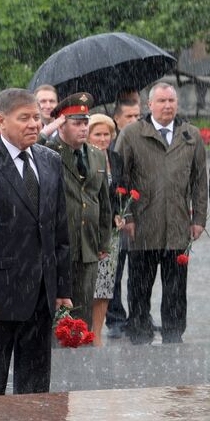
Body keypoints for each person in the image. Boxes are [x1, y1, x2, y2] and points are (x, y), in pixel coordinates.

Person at [0, 88, 73, 396]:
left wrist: (62, 288)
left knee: (35, 389)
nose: (33, 124)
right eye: (24, 118)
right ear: (2, 120)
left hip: (41, 295)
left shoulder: (50, 161)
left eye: (36, 117)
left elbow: (59, 231)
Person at [116, 82, 208, 344]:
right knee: (139, 288)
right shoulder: (132, 134)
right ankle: (139, 334)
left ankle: (173, 335)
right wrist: (126, 216)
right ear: (150, 105)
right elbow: (120, 179)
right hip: (142, 227)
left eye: (171, 101)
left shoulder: (191, 135)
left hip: (178, 227)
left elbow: (200, 181)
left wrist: (199, 218)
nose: (168, 106)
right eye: (162, 101)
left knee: (176, 290)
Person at [45, 93, 113, 325]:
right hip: (60, 243)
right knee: (58, 311)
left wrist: (104, 241)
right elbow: (30, 146)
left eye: (85, 123)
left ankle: (82, 345)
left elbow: (103, 201)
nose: (83, 128)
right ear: (62, 125)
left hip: (89, 244)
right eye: (76, 123)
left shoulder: (96, 154)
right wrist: (49, 128)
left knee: (83, 309)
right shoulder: (49, 151)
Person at [104, 95, 142, 335]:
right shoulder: (109, 147)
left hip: (140, 215)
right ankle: (115, 318)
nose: (134, 120)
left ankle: (139, 316)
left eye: (138, 115)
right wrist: (122, 214)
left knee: (138, 273)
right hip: (116, 220)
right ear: (116, 119)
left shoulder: (143, 140)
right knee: (114, 273)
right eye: (129, 116)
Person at [86, 113, 122, 345]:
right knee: (87, 285)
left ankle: (97, 335)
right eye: (97, 134)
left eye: (106, 134)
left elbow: (120, 190)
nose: (102, 138)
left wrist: (120, 213)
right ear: (88, 136)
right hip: (88, 230)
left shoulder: (116, 158)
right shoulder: (84, 157)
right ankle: (83, 332)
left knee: (105, 286)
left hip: (110, 232)